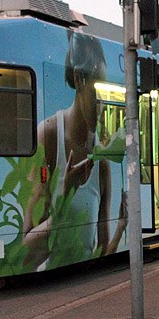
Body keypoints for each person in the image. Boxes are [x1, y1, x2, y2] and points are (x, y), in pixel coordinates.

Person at [22, 31, 127, 271]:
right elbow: (25, 254)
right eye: (96, 96)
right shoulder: (48, 136)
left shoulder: (101, 160)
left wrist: (122, 226)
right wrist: (65, 196)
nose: (101, 109)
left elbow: (101, 254)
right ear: (79, 79)